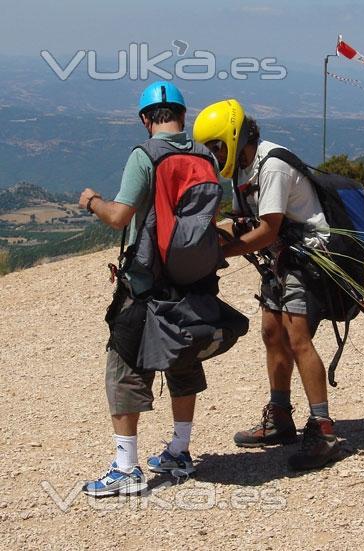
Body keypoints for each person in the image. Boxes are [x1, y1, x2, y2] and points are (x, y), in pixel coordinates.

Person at [78, 82, 219, 496]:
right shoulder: (205, 156)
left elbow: (120, 217)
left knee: (123, 367)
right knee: (184, 360)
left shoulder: (145, 156)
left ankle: (126, 467)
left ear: (145, 120)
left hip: (146, 282)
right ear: (182, 113)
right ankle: (179, 450)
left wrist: (92, 201)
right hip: (194, 282)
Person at [193, 99, 340, 470]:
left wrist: (217, 253)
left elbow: (267, 230)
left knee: (297, 338)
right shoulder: (243, 167)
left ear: (233, 136)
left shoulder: (271, 166)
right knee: (272, 333)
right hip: (281, 256)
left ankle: (323, 429)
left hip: (307, 255)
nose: (214, 154)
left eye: (217, 146)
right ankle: (280, 416)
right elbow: (247, 222)